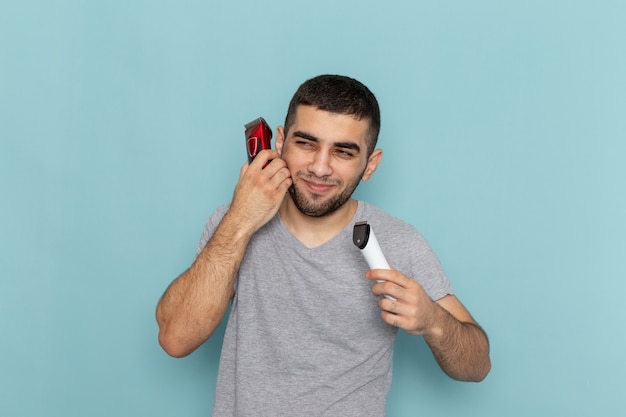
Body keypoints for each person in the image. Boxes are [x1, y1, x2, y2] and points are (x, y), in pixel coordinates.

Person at [156, 74, 491, 416]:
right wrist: (241, 219)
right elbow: (175, 338)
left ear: (370, 165)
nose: (320, 167)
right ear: (281, 141)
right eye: (306, 143)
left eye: (343, 152)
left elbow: (477, 366)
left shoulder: (398, 241)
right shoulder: (232, 223)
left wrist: (433, 320)